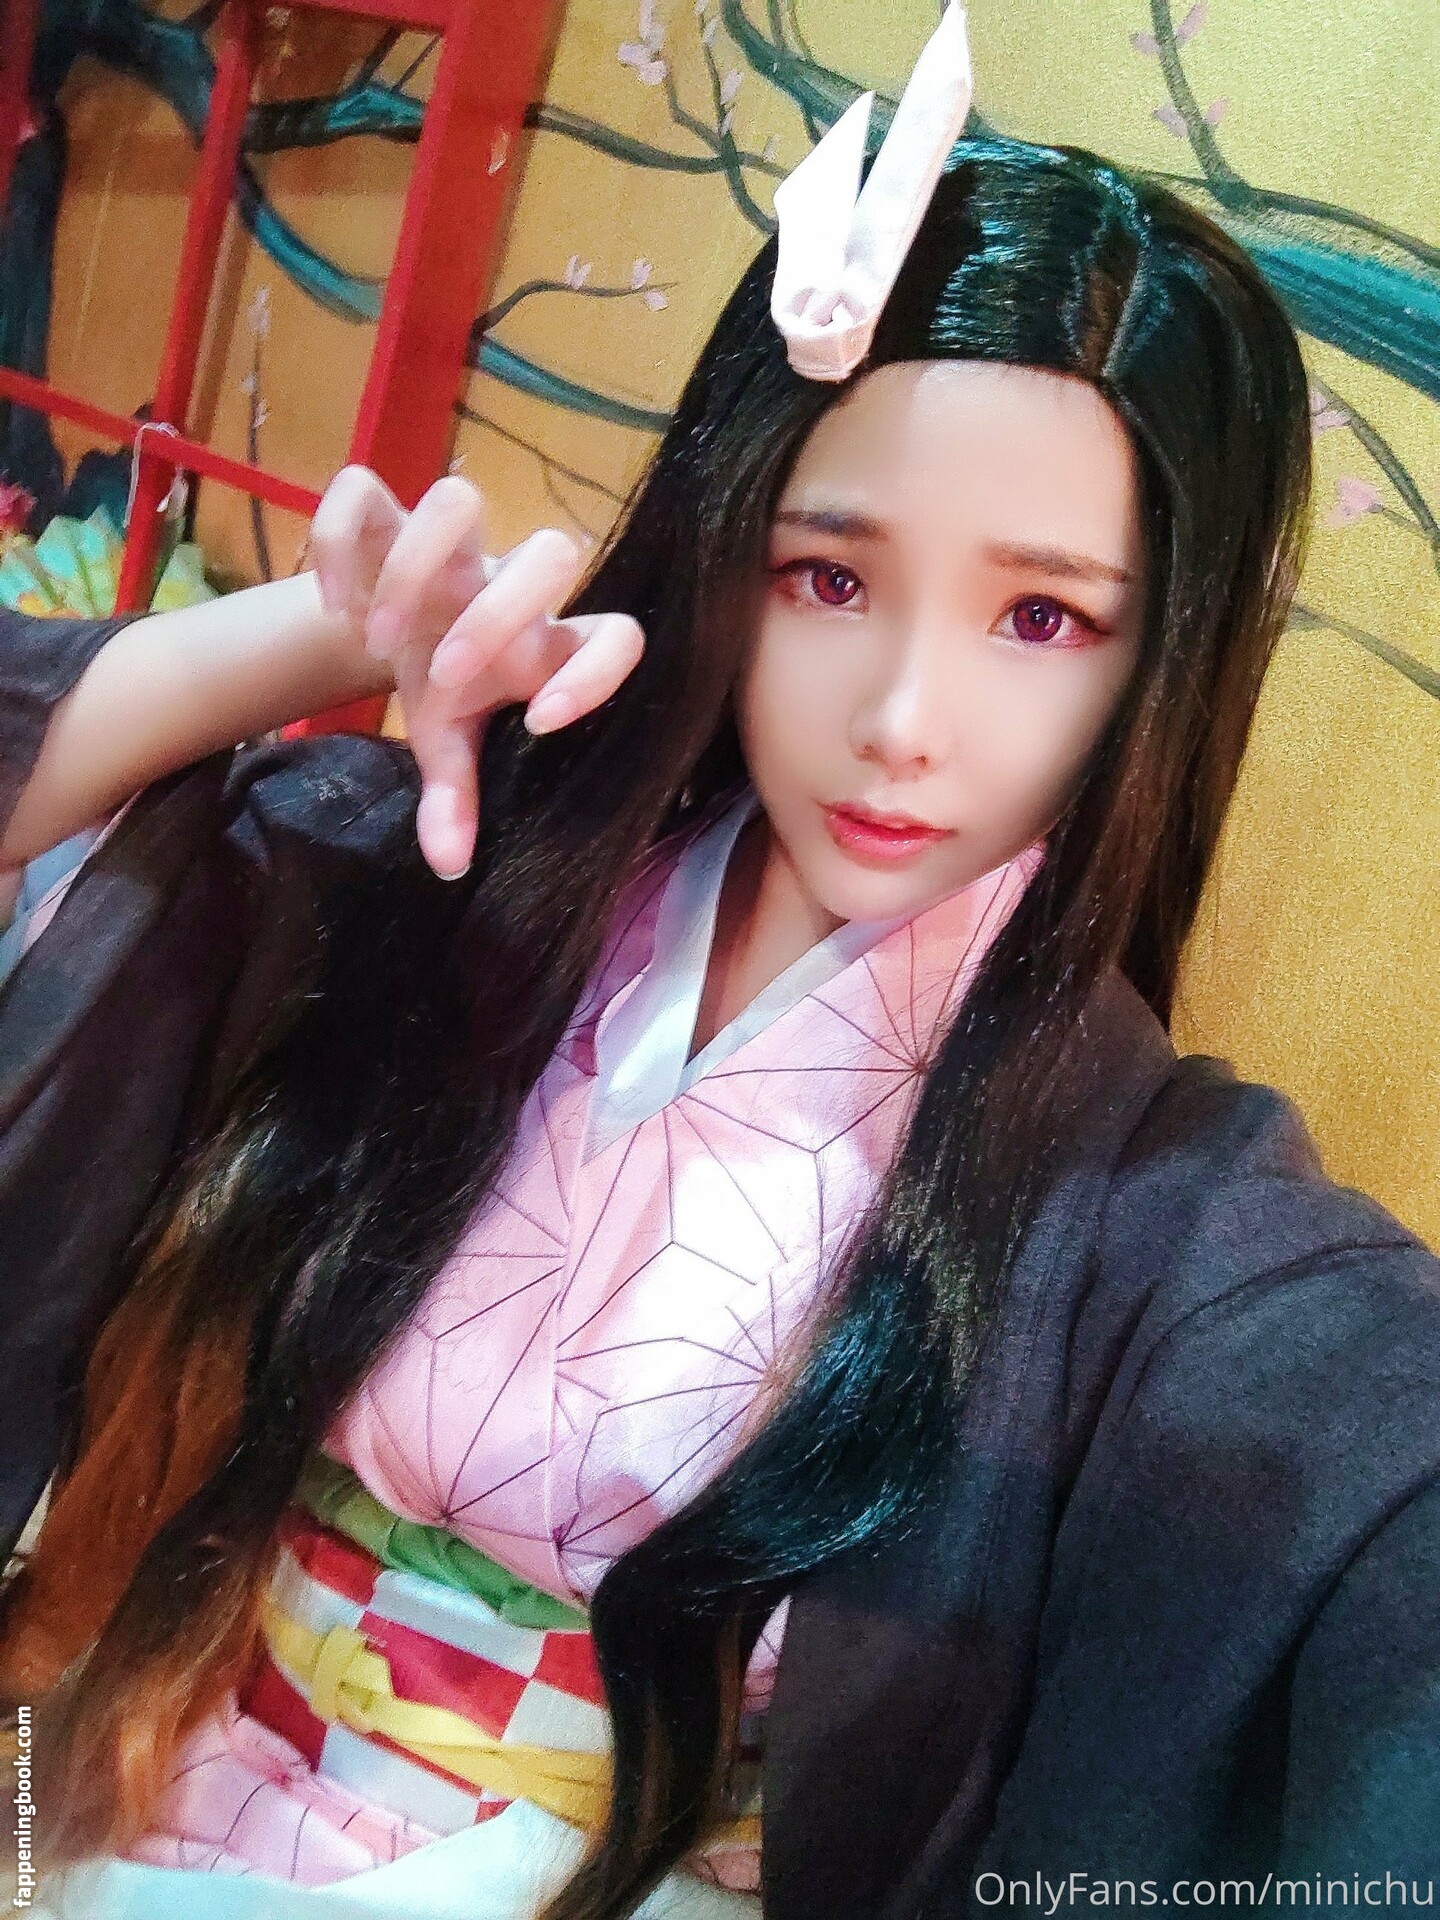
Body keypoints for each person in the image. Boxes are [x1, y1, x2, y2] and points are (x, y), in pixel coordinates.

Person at [1, 41, 1438, 1920]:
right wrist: (325, 637)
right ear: (728, 545)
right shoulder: (478, 892)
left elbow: (1368, 1474)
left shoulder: (1148, 1211)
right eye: (831, 579)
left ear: (1154, 662)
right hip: (138, 1780)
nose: (904, 721)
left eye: (1040, 616)